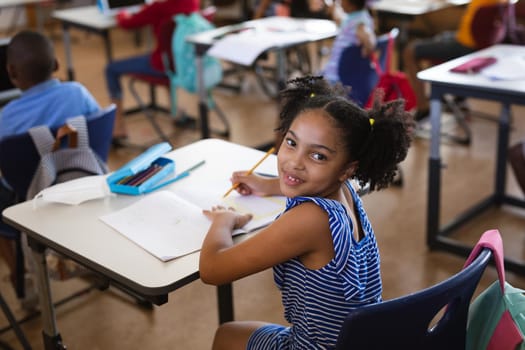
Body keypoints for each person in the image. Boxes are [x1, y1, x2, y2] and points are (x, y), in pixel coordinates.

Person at [199, 76, 413, 349]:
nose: (294, 163)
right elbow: (316, 181)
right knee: (232, 333)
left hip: (316, 346)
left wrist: (224, 221)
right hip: (360, 341)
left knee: (226, 336)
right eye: (291, 143)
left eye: (318, 156)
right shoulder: (346, 190)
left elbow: (213, 270)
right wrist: (267, 185)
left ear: (347, 169)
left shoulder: (310, 220)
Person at [0, 30, 101, 307]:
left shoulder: (6, 117)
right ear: (56, 64)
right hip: (82, 187)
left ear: (11, 71)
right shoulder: (78, 92)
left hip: (30, 198)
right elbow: (96, 131)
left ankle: (23, 281)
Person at [104, 0, 199, 146]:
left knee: (111, 69)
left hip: (163, 66)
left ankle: (118, 128)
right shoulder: (192, 2)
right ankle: (176, 112)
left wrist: (121, 14)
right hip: (185, 63)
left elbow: (127, 24)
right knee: (166, 56)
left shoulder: (158, 8)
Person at [403, 0, 509, 120]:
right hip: (478, 43)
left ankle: (423, 106)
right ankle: (455, 98)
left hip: (466, 47)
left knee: (409, 51)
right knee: (440, 37)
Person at [322, 0, 375, 85]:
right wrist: (333, 7)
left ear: (351, 4)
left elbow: (368, 36)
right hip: (336, 73)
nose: (340, 2)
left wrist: (368, 46)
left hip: (337, 77)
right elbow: (339, 19)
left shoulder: (360, 23)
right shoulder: (354, 17)